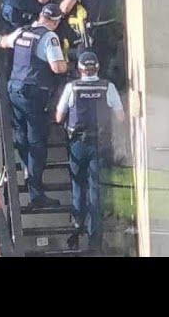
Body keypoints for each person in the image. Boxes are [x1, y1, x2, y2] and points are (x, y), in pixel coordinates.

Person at [0, 3, 67, 208]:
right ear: (54, 21)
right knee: (37, 143)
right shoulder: (49, 37)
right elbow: (57, 67)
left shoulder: (22, 31)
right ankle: (35, 192)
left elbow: (3, 42)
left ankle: (27, 171)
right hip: (34, 93)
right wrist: (68, 61)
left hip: (14, 89)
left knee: (21, 136)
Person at [55, 51, 125, 253]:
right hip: (100, 143)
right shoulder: (107, 87)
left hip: (77, 142)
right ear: (97, 68)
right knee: (96, 191)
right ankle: (95, 239)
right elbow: (120, 117)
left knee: (78, 185)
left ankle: (77, 228)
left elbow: (59, 117)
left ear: (79, 69)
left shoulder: (72, 88)